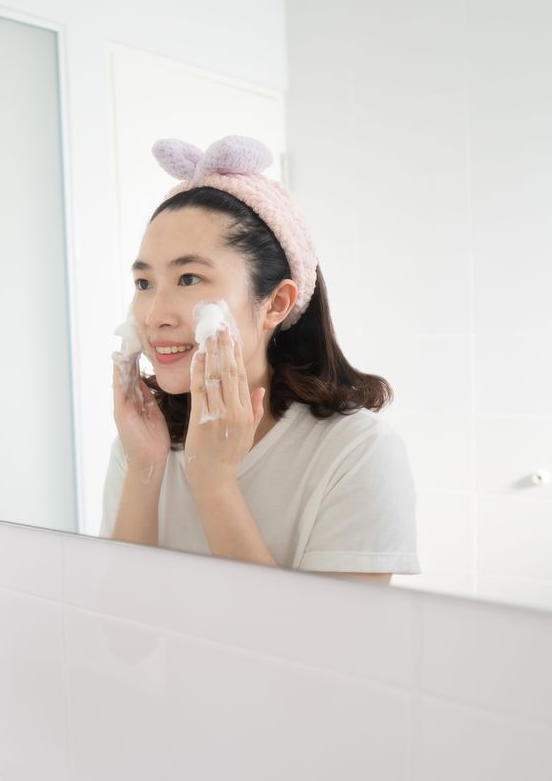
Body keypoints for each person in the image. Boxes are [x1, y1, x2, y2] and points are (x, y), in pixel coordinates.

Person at [102, 136, 419, 582]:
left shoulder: (356, 453)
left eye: (189, 278)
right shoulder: (143, 443)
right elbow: (120, 643)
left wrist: (214, 483)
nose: (154, 316)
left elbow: (329, 650)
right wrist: (145, 469)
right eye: (144, 283)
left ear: (276, 303)